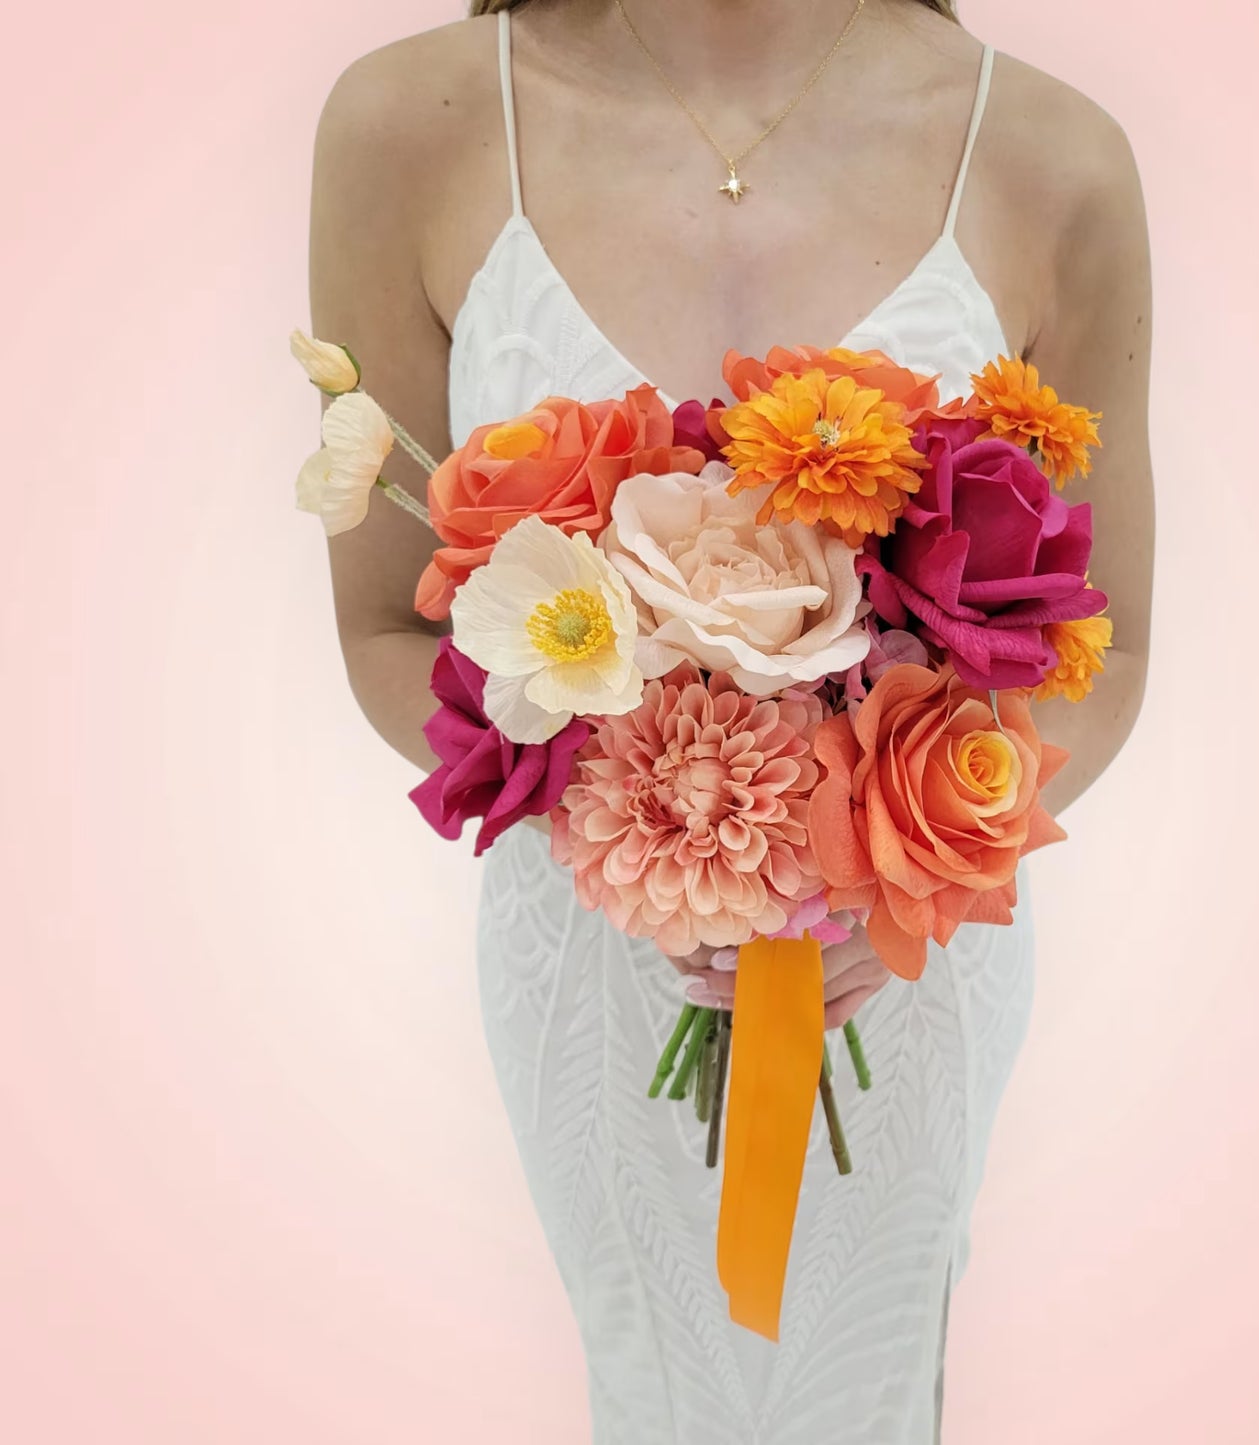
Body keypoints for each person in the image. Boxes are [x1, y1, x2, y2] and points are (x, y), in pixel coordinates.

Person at [305, 0, 1153, 1438]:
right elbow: (389, 624)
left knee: (873, 1380)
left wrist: (895, 859)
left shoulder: (1052, 150)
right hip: (593, 941)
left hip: (901, 959)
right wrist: (644, 820)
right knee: (651, 1378)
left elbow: (1103, 646)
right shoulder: (409, 123)